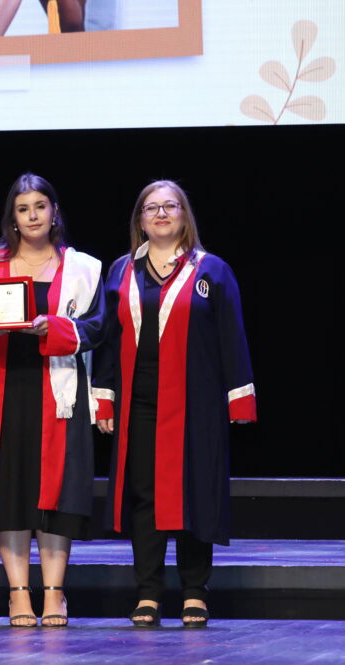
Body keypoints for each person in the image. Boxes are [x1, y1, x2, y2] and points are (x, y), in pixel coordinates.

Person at [92, 180, 257, 628]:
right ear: (140, 219)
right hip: (139, 402)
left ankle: (194, 592)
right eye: (152, 208)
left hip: (196, 402)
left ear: (185, 216)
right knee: (144, 495)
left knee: (194, 493)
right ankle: (148, 593)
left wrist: (240, 398)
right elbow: (109, 340)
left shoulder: (212, 270)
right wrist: (104, 399)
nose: (161, 214)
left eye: (170, 206)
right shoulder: (122, 271)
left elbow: (232, 336)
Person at [0, 173, 105, 627]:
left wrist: (53, 328)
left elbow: (98, 326)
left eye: (40, 206)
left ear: (54, 212)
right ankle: (18, 592)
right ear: (12, 218)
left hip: (58, 390)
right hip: (4, 388)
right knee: (12, 491)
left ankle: (55, 592)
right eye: (23, 209)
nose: (33, 216)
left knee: (56, 494)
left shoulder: (81, 268)